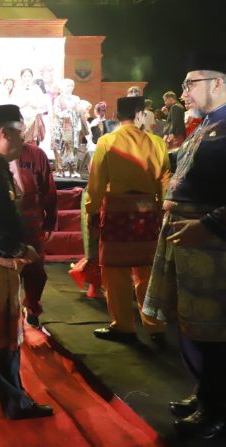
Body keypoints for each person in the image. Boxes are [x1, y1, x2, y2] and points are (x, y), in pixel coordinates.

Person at [144, 57, 226, 440]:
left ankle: (217, 408)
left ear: (219, 83)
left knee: (216, 330)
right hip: (189, 240)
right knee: (194, 325)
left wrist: (208, 226)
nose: (184, 91)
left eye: (191, 83)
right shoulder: (206, 124)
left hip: (213, 244)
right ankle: (205, 392)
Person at [0, 104, 54, 420]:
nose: (23, 138)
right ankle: (15, 403)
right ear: (4, 132)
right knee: (4, 338)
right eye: (19, 131)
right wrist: (18, 248)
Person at [83, 96, 169, 344]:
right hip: (146, 210)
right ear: (140, 115)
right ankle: (155, 325)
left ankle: (123, 326)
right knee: (147, 271)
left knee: (115, 271)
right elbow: (165, 179)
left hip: (116, 211)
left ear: (117, 116)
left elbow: (97, 183)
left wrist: (92, 210)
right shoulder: (157, 142)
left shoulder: (107, 141)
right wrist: (161, 209)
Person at [10, 142, 57, 327]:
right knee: (5, 267)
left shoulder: (36, 154)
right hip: (5, 219)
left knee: (35, 268)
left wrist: (50, 221)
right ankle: (9, 311)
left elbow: (48, 189)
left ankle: (32, 308)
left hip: (32, 219)